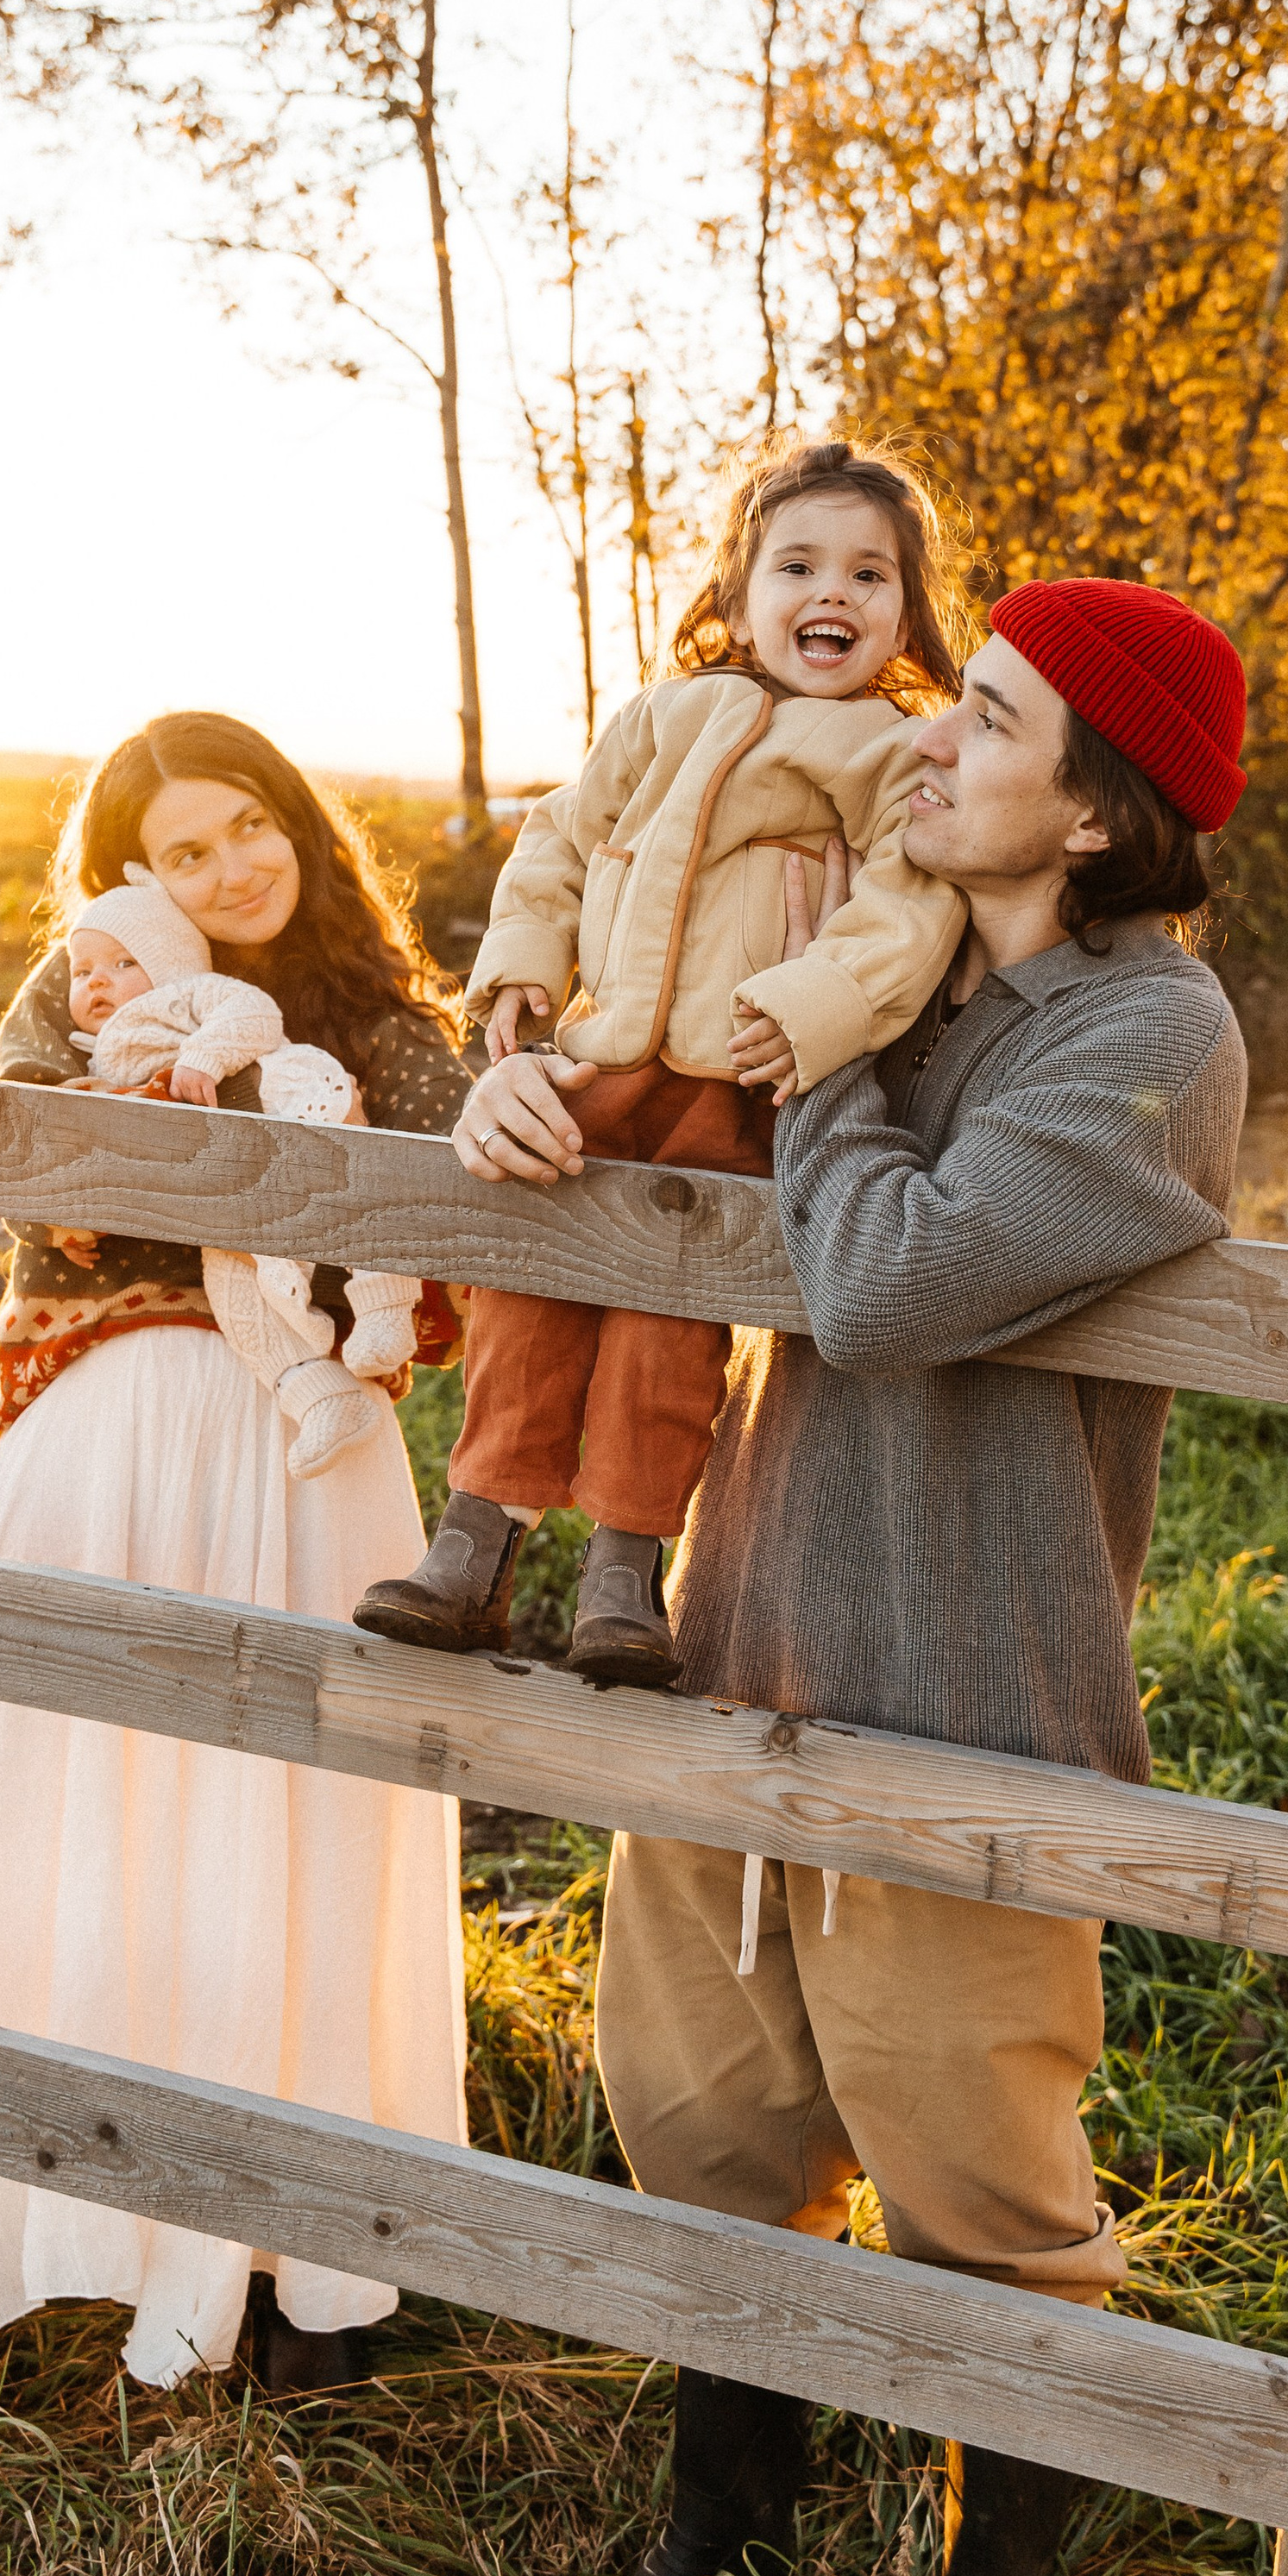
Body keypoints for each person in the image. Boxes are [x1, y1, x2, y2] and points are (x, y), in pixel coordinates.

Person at [450, 577, 1251, 2576]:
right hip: (735, 1648)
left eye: (983, 719)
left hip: (960, 1695)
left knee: (987, 2205)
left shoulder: (1143, 1037)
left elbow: (890, 1283)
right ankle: (716, 2549)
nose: (924, 738)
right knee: (703, 2136)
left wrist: (810, 1058)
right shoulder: (867, 958)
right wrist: (505, 1092)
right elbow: (629, 1053)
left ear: (1092, 813)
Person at [0, 715, 473, 2397]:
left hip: (307, 1457)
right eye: (184, 851)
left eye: (251, 826)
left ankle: (297, 2261)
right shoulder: (81, 987)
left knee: (296, 1827)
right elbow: (38, 1172)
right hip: (112, 1431)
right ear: (131, 875)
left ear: (300, 823)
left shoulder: (377, 1014)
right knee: (34, 1808)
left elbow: (451, 1203)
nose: (231, 869)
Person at [354, 437, 968, 1689]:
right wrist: (523, 960)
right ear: (738, 597)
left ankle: (624, 1575)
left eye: (869, 574)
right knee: (528, 1287)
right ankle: (472, 1546)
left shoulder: (888, 752)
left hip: (730, 1086)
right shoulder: (660, 717)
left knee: (667, 1323)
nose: (832, 592)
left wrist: (813, 1002)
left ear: (907, 616)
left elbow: (907, 912)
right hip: (600, 1065)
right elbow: (558, 842)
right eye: (797, 566)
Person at [62, 877, 422, 1476]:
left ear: (170, 961)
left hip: (282, 1100)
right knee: (236, 1293)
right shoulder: (93, 1049)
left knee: (349, 1195)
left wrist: (204, 1056)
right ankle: (318, 1396)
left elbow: (256, 1014)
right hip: (227, 1185)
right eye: (83, 971)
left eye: (123, 963)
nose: (98, 980)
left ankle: (387, 1305)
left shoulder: (187, 994)